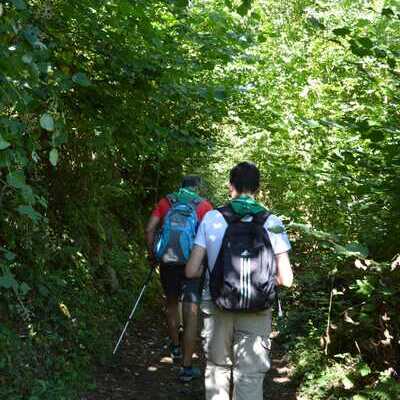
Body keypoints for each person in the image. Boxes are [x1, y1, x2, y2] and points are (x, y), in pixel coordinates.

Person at [185, 162, 293, 400]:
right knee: (250, 376)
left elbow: (191, 270)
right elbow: (286, 279)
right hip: (257, 309)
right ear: (258, 188)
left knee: (217, 368)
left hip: (217, 304)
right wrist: (261, 281)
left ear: (230, 186)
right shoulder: (272, 222)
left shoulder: (213, 218)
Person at [145, 175, 213, 382]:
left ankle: (175, 346)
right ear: (197, 188)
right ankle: (186, 366)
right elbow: (209, 238)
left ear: (180, 186)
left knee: (172, 303)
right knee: (191, 312)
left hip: (168, 261)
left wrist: (152, 256)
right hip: (193, 263)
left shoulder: (167, 202)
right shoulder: (204, 206)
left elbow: (149, 229)